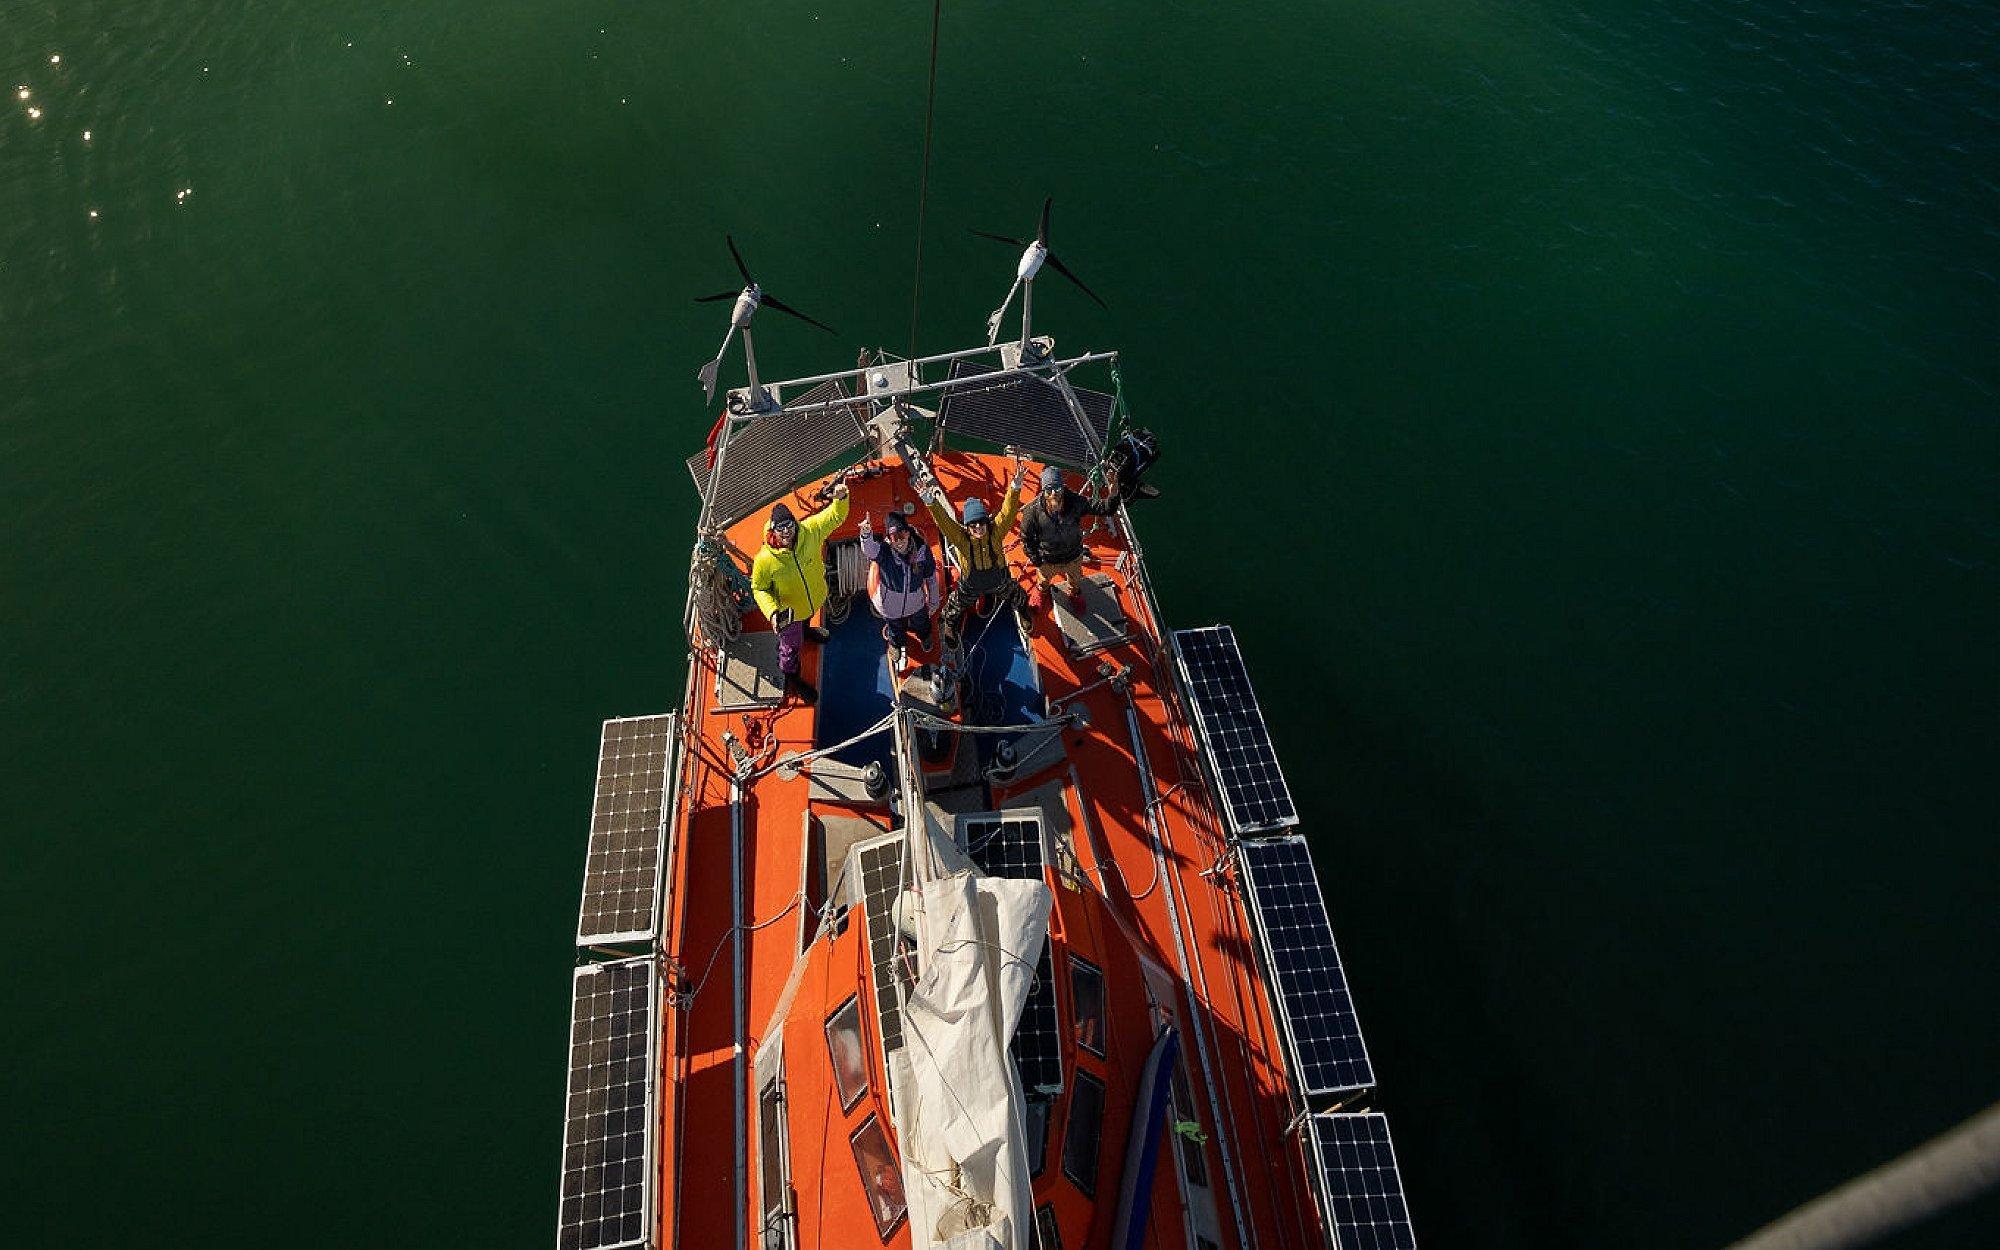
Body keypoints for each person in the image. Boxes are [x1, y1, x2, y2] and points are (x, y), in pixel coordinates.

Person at [750, 479, 850, 704]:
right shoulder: (764, 560)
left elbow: (835, 517)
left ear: (795, 523)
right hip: (788, 616)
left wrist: (842, 498)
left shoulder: (811, 531)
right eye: (780, 528)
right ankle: (793, 679)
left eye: (789, 525)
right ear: (773, 530)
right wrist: (773, 613)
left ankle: (807, 632)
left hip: (812, 600)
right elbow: (759, 588)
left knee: (806, 621)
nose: (786, 532)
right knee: (789, 651)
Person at [925, 454, 1031, 653]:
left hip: (999, 581)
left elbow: (1008, 512)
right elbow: (944, 523)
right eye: (973, 525)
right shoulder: (961, 539)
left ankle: (1024, 613)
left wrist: (1015, 487)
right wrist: (930, 501)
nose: (978, 528)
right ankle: (950, 629)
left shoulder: (996, 533)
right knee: (951, 610)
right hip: (970, 586)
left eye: (981, 523)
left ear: (986, 522)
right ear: (967, 526)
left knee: (1019, 595)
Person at [1018, 464, 1119, 612]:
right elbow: (1026, 539)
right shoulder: (1032, 512)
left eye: (1057, 488)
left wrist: (1114, 490)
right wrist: (1036, 560)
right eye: (1048, 489)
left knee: (1075, 579)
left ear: (1063, 488)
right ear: (1043, 491)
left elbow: (1105, 508)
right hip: (1047, 559)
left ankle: (1074, 593)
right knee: (1043, 580)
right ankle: (1041, 590)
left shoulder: (1076, 502)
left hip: (1073, 557)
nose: (1053, 493)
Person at [858, 509, 940, 663]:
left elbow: (931, 578)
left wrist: (934, 601)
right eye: (894, 537)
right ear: (889, 539)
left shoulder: (922, 551)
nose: (899, 541)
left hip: (916, 603)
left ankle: (925, 637)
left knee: (922, 622)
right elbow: (869, 549)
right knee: (894, 627)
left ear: (908, 533)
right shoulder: (883, 552)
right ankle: (895, 644)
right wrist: (866, 534)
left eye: (902, 535)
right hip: (890, 607)